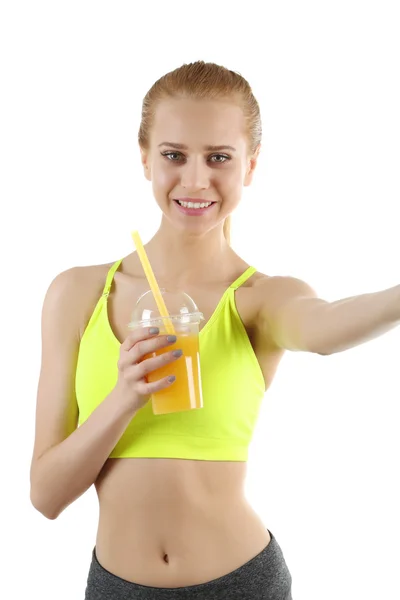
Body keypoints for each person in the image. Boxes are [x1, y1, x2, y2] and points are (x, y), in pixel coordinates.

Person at [30, 61, 400, 600]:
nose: (196, 180)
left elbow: (324, 328)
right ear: (144, 158)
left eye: (219, 158)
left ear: (250, 166)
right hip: (115, 587)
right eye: (173, 155)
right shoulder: (78, 293)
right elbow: (46, 495)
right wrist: (125, 397)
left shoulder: (260, 300)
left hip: (243, 584)